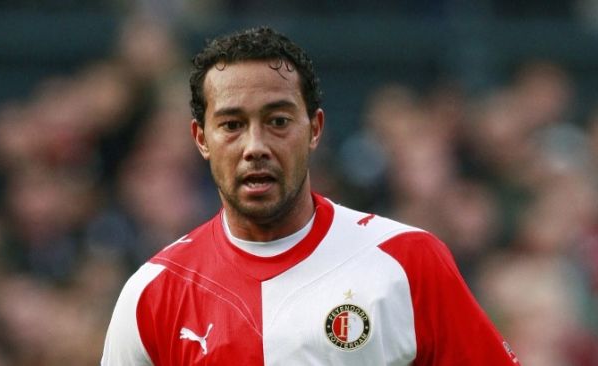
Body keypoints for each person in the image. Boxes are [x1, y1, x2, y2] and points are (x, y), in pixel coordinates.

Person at [101, 26, 520, 365]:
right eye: (231, 125)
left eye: (278, 121)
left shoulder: (407, 261)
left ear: (315, 129)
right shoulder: (152, 295)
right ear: (201, 139)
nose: (255, 146)